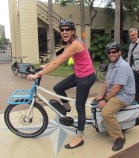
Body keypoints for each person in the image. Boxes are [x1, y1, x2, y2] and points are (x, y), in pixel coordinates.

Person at [27, 19, 96, 149]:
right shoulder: (70, 44)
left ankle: (79, 137)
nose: (64, 32)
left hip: (86, 77)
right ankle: (68, 109)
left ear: (73, 32)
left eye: (67, 29)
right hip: (79, 74)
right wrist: (45, 65)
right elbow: (58, 57)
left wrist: (38, 74)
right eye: (62, 29)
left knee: (80, 107)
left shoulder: (75, 44)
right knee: (58, 88)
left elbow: (58, 63)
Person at [95, 42, 135, 151]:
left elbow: (117, 87)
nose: (112, 54)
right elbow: (106, 82)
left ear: (119, 53)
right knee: (96, 102)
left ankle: (119, 137)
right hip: (116, 93)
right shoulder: (112, 65)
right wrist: (100, 95)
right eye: (109, 52)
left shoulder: (122, 66)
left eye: (114, 52)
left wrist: (105, 100)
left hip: (124, 95)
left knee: (106, 112)